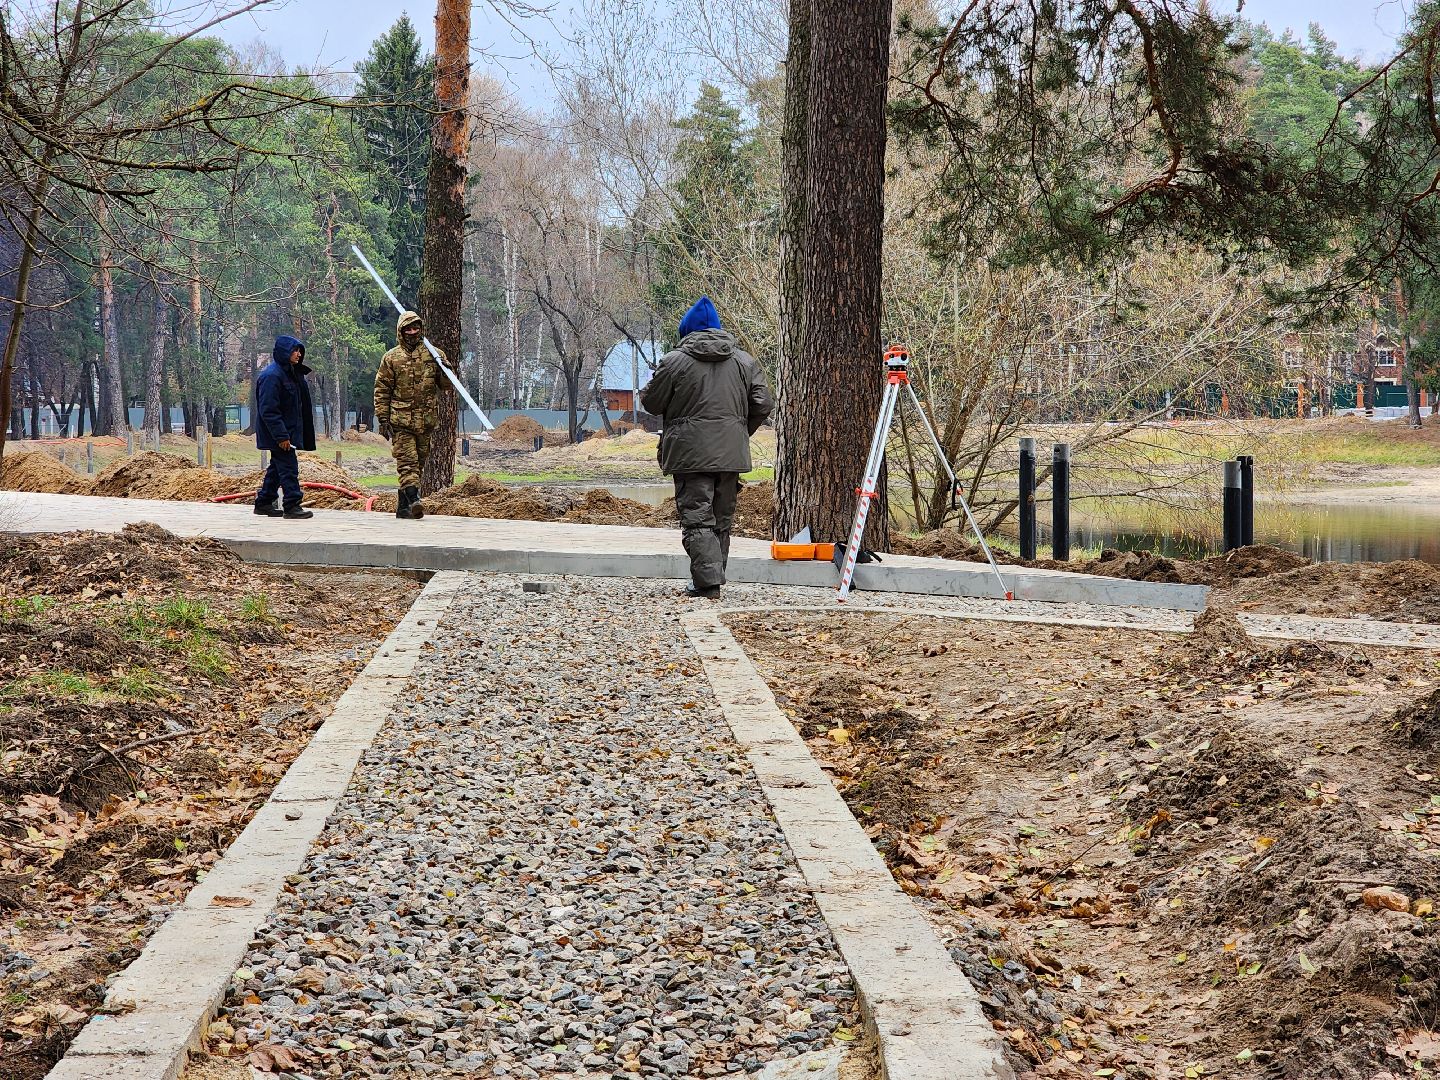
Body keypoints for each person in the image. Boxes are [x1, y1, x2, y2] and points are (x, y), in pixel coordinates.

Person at [641, 296, 773, 598]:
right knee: (721, 518)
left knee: (697, 518)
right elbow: (763, 403)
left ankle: (708, 582)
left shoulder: (674, 361)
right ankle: (712, 576)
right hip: (730, 455)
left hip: (689, 454)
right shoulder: (744, 361)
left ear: (687, 332)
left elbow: (651, 402)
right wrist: (739, 431)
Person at [374, 310, 440, 519]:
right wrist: (383, 418)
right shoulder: (392, 358)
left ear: (421, 329)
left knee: (418, 464)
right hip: (401, 421)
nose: (412, 332)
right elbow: (382, 389)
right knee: (407, 463)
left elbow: (446, 385)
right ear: (401, 331)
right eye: (408, 329)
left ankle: (403, 508)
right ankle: (414, 499)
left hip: (425, 421)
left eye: (416, 328)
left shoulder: (433, 354)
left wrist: (445, 368)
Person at [253, 334, 316, 520]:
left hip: (287, 432)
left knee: (277, 467)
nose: (298, 354)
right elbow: (269, 410)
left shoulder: (291, 374)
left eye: (299, 351)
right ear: (284, 352)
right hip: (278, 434)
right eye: (294, 351)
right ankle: (292, 505)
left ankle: (264, 502)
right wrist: (281, 436)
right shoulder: (272, 376)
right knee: (289, 467)